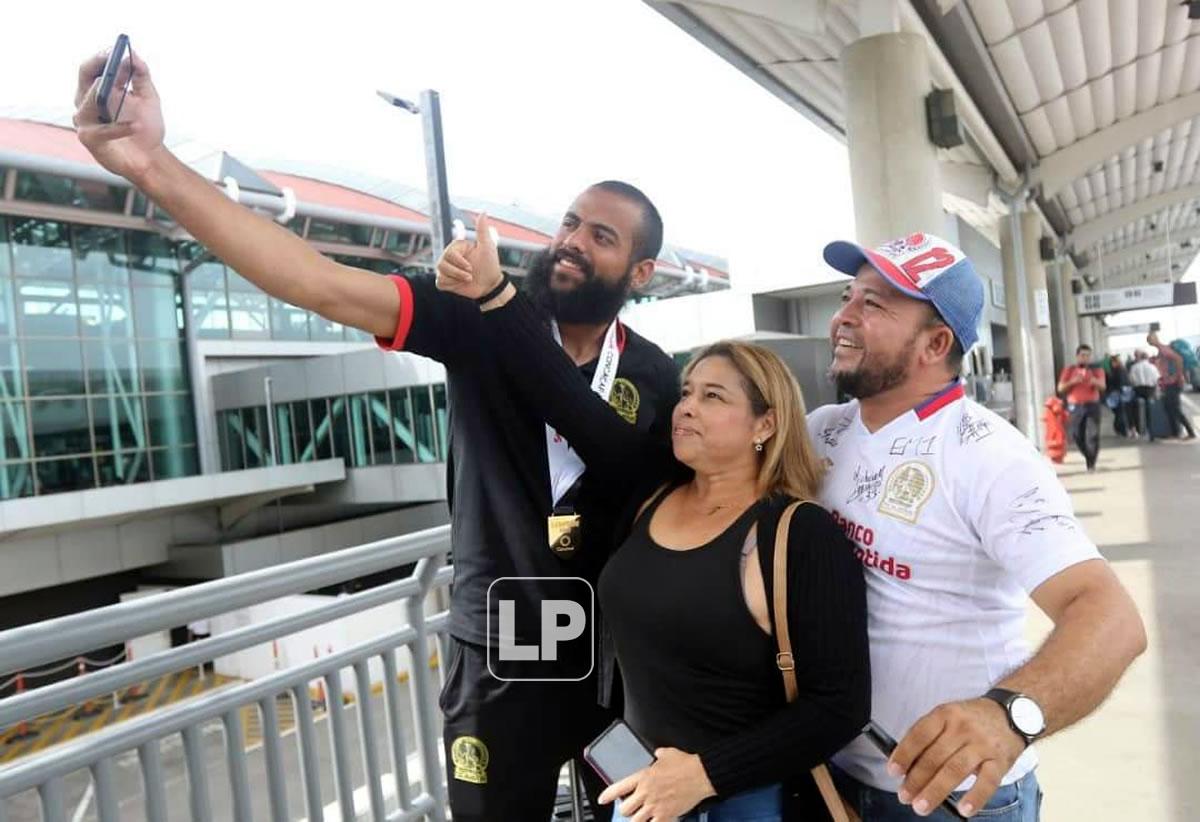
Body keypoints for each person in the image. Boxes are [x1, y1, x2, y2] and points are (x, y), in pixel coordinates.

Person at [71, 49, 683, 821]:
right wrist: (150, 164)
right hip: (498, 651)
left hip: (614, 656)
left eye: (601, 236)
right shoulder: (477, 315)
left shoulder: (654, 375)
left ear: (640, 272)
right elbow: (316, 281)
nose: (571, 241)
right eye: (569, 222)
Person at [437, 228, 871, 820]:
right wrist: (495, 297)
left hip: (738, 806)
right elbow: (569, 403)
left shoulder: (799, 535)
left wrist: (703, 776)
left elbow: (839, 707)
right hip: (636, 796)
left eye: (714, 397)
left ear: (765, 424)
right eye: (686, 391)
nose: (686, 406)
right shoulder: (651, 496)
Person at [808, 233, 1145, 821]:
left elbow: (1112, 619)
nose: (844, 317)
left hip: (951, 800)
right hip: (829, 780)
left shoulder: (989, 456)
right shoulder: (820, 432)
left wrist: (1008, 716)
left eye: (874, 303)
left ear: (936, 343)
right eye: (848, 296)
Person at [1057, 345, 1106, 471]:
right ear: (1077, 356)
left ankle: (1091, 464)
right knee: (1076, 434)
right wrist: (1073, 381)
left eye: (1088, 356)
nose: (1085, 358)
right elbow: (1060, 388)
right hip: (1075, 406)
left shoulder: (1096, 370)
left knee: (1092, 435)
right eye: (1083, 355)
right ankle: (1088, 456)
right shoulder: (1069, 370)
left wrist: (1093, 381)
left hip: (1092, 405)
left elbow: (1103, 386)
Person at [1147, 331, 1197, 440]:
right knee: (1169, 408)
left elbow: (1179, 359)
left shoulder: (1164, 350)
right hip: (1168, 384)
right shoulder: (1160, 351)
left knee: (1175, 409)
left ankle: (1191, 432)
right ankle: (1175, 433)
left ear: (1155, 339)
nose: (1149, 342)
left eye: (1150, 339)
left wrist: (1177, 376)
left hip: (1173, 384)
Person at [1128, 350, 1160, 442]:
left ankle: (1138, 429)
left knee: (1135, 409)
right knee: (1150, 410)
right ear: (1147, 358)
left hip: (1138, 390)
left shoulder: (1134, 367)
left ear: (1140, 358)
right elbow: (1157, 379)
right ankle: (1151, 431)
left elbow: (1131, 379)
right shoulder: (1152, 367)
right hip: (1150, 390)